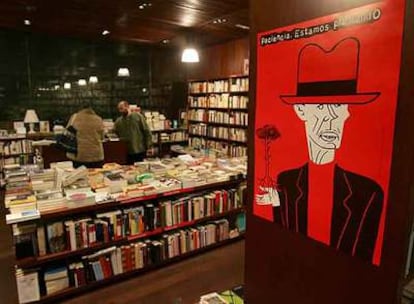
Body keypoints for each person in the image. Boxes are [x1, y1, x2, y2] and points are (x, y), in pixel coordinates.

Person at [256, 37, 384, 263]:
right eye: (322, 106)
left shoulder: (368, 193)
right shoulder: (285, 182)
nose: (331, 118)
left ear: (347, 113)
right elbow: (282, 242)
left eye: (338, 105)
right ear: (301, 110)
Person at [66, 102, 105, 168]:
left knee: (79, 176)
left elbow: (68, 133)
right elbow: (102, 137)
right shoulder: (98, 119)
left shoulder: (74, 117)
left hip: (78, 155)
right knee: (96, 176)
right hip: (95, 156)